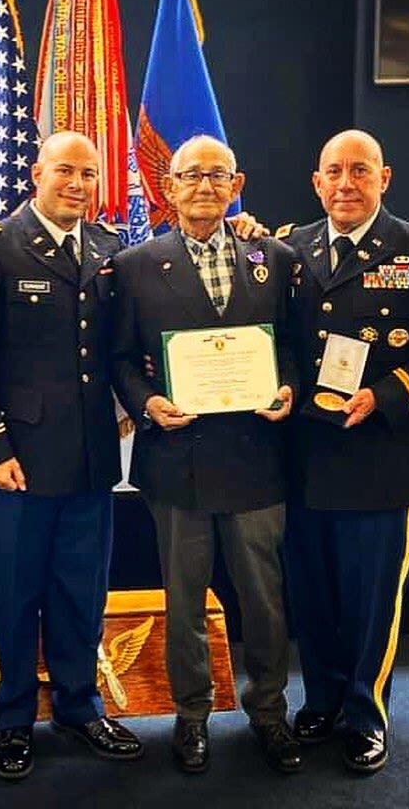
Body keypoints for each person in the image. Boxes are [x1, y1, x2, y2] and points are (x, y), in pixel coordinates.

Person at [277, 129, 409, 773]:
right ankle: (322, 700)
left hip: (380, 462)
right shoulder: (288, 248)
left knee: (371, 601)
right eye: (333, 171)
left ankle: (366, 714)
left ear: (383, 179)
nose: (345, 183)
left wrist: (389, 396)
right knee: (310, 596)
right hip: (303, 461)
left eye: (359, 171)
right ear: (316, 182)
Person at [0, 130, 144, 781]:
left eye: (89, 174)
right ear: (36, 173)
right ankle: (12, 719)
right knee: (15, 597)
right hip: (17, 462)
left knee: (81, 594)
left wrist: (124, 412)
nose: (78, 184)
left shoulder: (109, 248)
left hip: (88, 458)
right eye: (65, 171)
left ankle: (79, 708)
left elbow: (114, 349)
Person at [111, 134, 302, 775]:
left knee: (264, 599)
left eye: (217, 176)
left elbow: (296, 348)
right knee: (184, 599)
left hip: (255, 459)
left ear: (236, 183)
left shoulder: (273, 256)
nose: (204, 187)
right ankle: (191, 715)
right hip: (178, 460)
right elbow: (119, 358)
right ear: (169, 187)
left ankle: (269, 711)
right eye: (191, 175)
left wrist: (289, 388)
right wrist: (145, 404)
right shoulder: (136, 264)